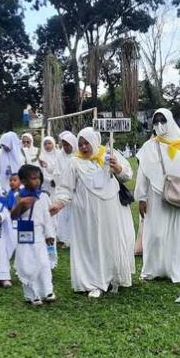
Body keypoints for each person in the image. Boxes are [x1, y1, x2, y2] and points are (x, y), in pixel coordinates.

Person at [51, 127, 134, 298]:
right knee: (90, 246)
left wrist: (117, 167)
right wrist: (58, 203)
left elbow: (127, 175)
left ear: (94, 142)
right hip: (85, 215)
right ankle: (93, 282)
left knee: (109, 243)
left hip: (110, 210)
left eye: (86, 143)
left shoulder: (109, 155)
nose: (83, 147)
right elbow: (66, 187)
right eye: (80, 144)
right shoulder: (74, 162)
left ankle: (112, 277)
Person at [136, 108, 180, 283]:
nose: (159, 125)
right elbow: (142, 173)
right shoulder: (148, 147)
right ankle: (153, 269)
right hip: (156, 196)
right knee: (155, 234)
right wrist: (142, 198)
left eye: (162, 120)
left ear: (170, 121)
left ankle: (179, 270)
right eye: (155, 122)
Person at [10, 165, 56, 305]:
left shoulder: (43, 196)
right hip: (24, 233)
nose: (37, 182)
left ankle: (47, 290)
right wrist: (21, 205)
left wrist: (49, 234)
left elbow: (47, 217)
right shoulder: (18, 196)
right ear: (23, 181)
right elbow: (13, 216)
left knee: (42, 262)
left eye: (38, 178)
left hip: (39, 235)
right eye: (33, 178)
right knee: (27, 263)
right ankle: (31, 294)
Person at [55, 131, 78, 248]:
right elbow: (57, 173)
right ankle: (63, 239)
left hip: (77, 191)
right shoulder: (59, 155)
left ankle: (75, 239)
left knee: (75, 216)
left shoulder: (78, 155)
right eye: (64, 145)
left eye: (68, 145)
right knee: (63, 215)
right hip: (63, 190)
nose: (66, 147)